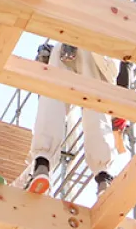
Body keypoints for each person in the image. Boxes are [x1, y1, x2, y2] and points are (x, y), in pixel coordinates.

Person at [24, 42, 128, 196]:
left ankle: (42, 163)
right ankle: (103, 177)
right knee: (96, 109)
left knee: (52, 96)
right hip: (96, 51)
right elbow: (126, 64)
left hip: (67, 46)